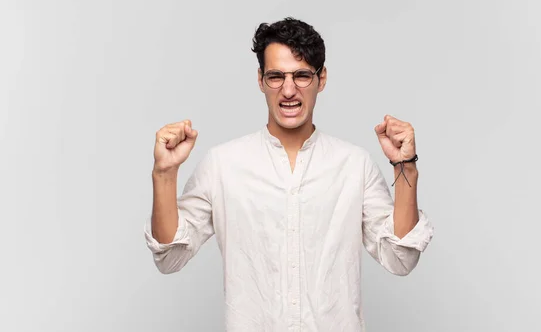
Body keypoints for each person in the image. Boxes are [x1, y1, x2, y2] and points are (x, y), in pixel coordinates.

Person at [144, 17, 434, 331]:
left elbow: (401, 258)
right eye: (276, 76)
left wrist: (406, 167)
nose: (288, 90)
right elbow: (169, 257)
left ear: (322, 79)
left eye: (302, 75)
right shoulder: (223, 164)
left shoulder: (354, 164)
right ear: (260, 80)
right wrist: (165, 172)